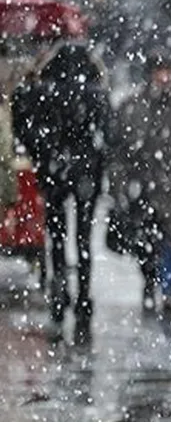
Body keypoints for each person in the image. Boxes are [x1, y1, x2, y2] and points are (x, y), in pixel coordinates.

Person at [11, 42, 110, 341]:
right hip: (84, 173)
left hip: (54, 170)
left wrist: (42, 153)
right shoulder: (95, 92)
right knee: (82, 239)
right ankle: (83, 296)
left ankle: (59, 291)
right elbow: (108, 133)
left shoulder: (41, 91)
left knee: (57, 235)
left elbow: (22, 122)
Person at [109, 49, 171, 330]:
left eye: (168, 72)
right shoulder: (132, 105)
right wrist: (119, 185)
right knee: (146, 242)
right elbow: (119, 148)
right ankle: (149, 281)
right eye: (159, 71)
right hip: (142, 185)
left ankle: (168, 290)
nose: (164, 78)